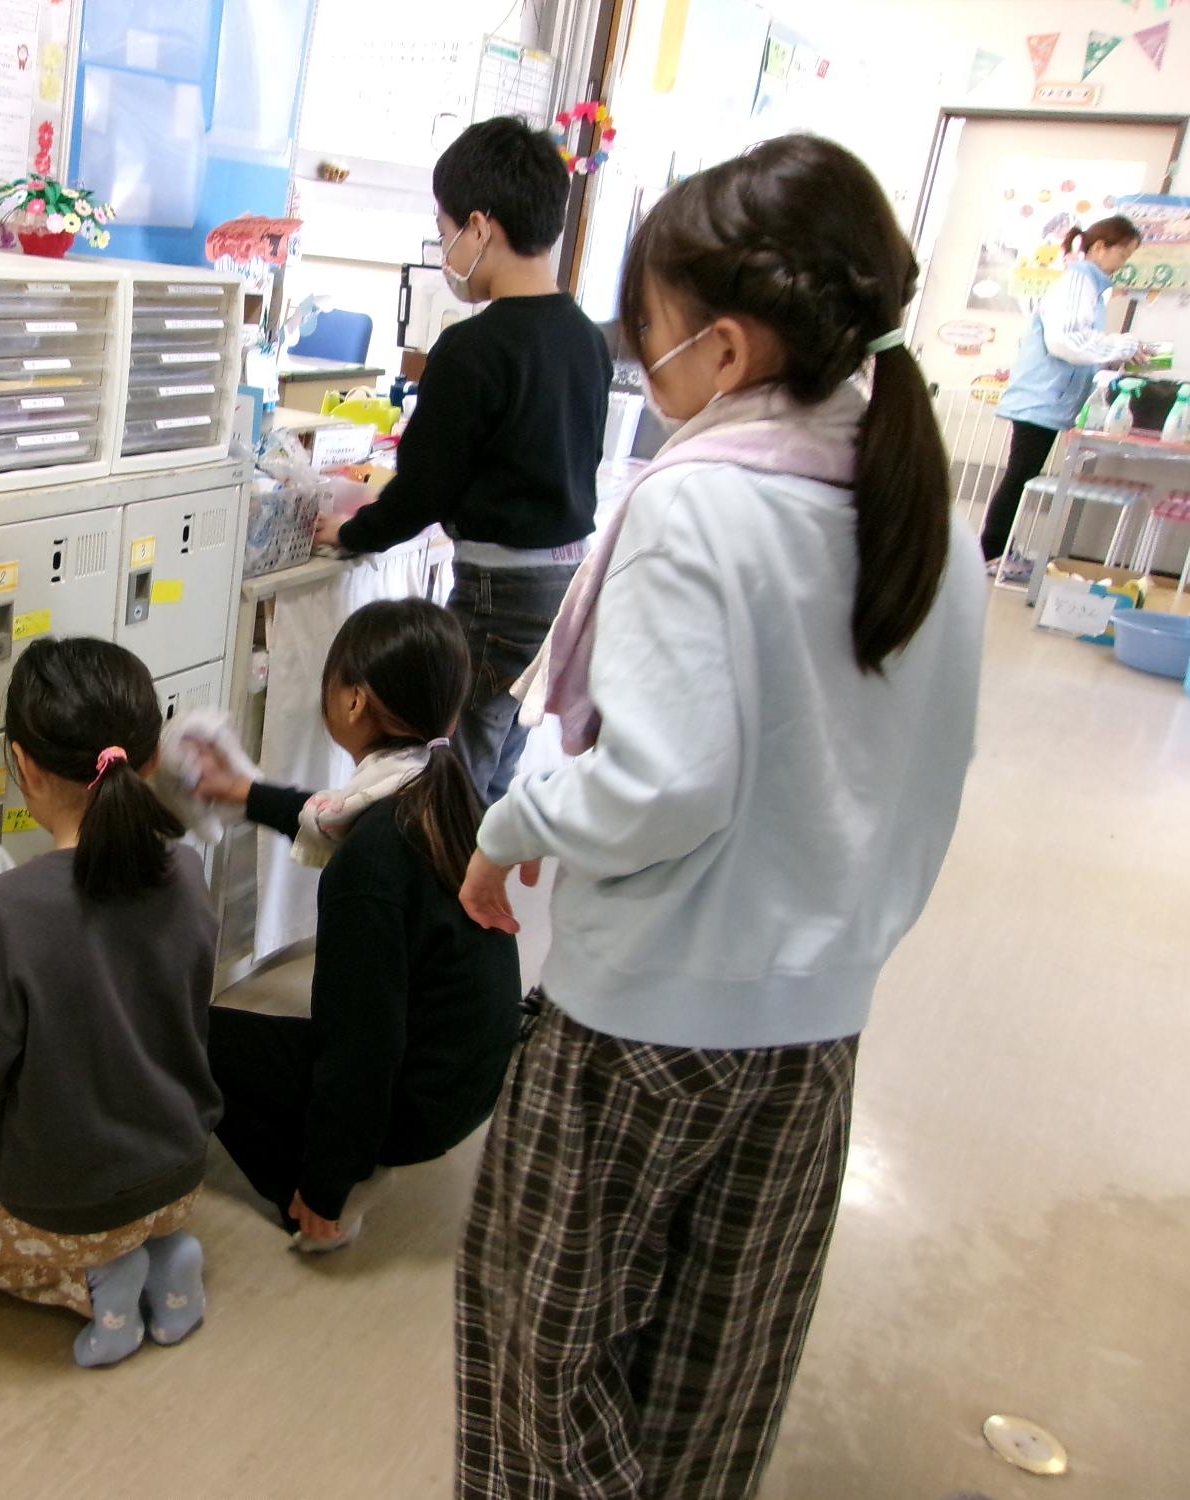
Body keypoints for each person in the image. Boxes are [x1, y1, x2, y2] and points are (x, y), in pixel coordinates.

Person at [451, 134, 986, 1499]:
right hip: (812, 1032)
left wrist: (509, 829)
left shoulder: (701, 506)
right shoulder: (913, 500)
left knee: (547, 1375)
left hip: (645, 1031)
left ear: (731, 351)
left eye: (659, 338)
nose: (650, 370)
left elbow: (656, 783)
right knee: (711, 1388)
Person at [0, 637, 221, 1369]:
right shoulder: (186, 868)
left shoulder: (3, 912)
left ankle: (96, 1281)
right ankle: (166, 1259)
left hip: (69, 1200)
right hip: (182, 1175)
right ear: (149, 760)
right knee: (130, 1208)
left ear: (24, 765)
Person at [194, 600, 523, 1251]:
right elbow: (328, 815)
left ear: (351, 702)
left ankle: (317, 1194)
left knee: (185, 1034)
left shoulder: (372, 862)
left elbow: (361, 1045)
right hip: (466, 1079)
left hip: (416, 1099)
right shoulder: (442, 783)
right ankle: (349, 1152)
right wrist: (242, 792)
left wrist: (325, 1185)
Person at [314, 116, 612, 807]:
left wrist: (352, 533)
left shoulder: (473, 349)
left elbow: (424, 489)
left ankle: (443, 903)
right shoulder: (585, 338)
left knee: (449, 774)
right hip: (567, 584)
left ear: (480, 228)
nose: (445, 248)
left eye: (445, 229)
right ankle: (473, 883)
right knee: (497, 757)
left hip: (497, 593)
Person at [981, 214, 1149, 565]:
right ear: (1101, 248)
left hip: (1051, 396)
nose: (1124, 264)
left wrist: (1116, 353)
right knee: (1021, 476)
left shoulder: (1089, 287)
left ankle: (998, 551)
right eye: (1123, 255)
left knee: (1022, 475)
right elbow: (1066, 342)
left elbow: (1081, 345)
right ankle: (992, 552)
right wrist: (1122, 345)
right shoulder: (1077, 283)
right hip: (1043, 395)